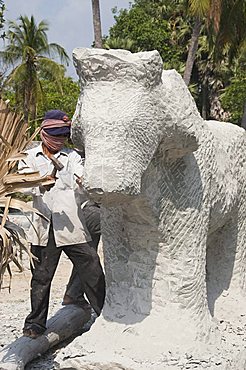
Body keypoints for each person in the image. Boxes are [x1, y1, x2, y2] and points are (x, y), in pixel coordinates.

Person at [19, 110, 105, 338]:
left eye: (63, 136)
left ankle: (105, 315)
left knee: (92, 267)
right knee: (41, 278)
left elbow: (81, 177)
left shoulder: (72, 157)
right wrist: (42, 182)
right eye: (55, 135)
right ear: (44, 132)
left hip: (72, 227)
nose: (59, 140)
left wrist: (84, 180)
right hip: (43, 227)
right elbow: (22, 185)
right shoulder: (29, 157)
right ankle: (35, 324)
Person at [62, 198, 101, 308]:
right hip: (95, 210)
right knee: (87, 259)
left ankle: (73, 294)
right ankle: (74, 294)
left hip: (88, 209)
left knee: (86, 258)